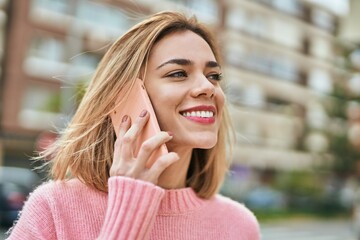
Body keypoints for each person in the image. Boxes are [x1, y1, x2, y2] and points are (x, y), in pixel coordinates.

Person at [7, 11, 260, 240]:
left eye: (213, 76)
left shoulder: (239, 225)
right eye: (178, 73)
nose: (208, 87)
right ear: (125, 96)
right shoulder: (54, 208)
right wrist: (130, 209)